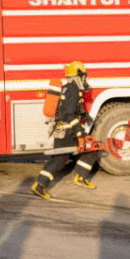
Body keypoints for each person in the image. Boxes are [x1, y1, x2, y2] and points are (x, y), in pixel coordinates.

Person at [31, 61, 98, 200]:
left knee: (66, 157)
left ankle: (78, 176)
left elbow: (70, 111)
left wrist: (85, 117)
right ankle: (40, 185)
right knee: (60, 160)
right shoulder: (73, 90)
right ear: (77, 76)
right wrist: (80, 132)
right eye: (83, 76)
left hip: (64, 130)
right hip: (69, 132)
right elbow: (68, 115)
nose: (85, 79)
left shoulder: (69, 88)